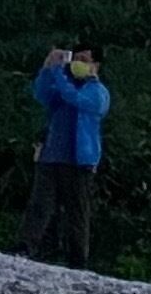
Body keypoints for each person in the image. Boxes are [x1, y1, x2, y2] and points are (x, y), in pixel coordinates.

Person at [18, 41, 110, 267]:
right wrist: (48, 68)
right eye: (76, 59)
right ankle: (26, 246)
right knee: (40, 204)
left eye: (84, 60)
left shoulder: (98, 92)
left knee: (77, 211)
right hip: (52, 155)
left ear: (95, 65)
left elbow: (76, 100)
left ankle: (77, 259)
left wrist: (59, 74)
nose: (78, 64)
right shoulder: (63, 87)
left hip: (80, 160)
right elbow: (41, 94)